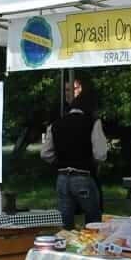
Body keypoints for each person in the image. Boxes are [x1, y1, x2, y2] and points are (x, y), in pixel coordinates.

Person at [41, 78, 108, 229]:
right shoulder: (93, 122)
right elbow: (100, 154)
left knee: (65, 224)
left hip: (62, 178)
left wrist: (61, 160)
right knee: (93, 221)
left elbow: (45, 154)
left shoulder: (56, 124)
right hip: (83, 175)